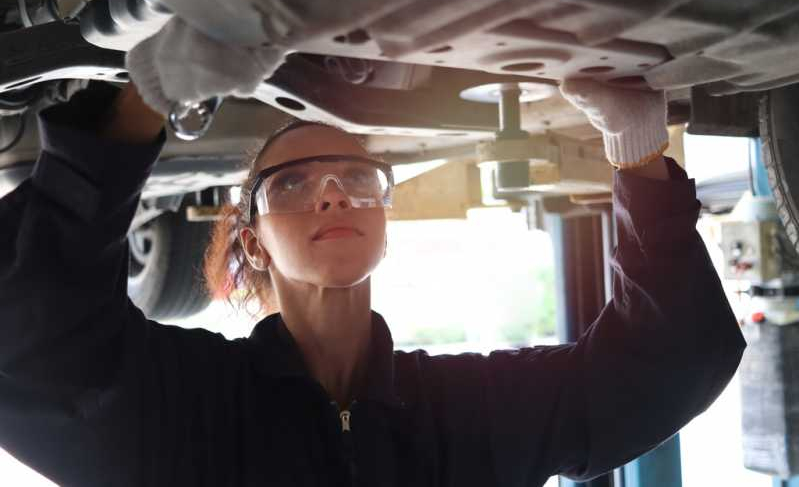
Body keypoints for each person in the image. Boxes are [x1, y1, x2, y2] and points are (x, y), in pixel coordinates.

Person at [0, 73, 745, 487]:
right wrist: (148, 92)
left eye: (357, 176)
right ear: (252, 242)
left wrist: (638, 152)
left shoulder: (468, 412)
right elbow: (34, 342)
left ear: (384, 223)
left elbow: (656, 373)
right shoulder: (188, 408)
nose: (333, 192)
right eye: (293, 186)